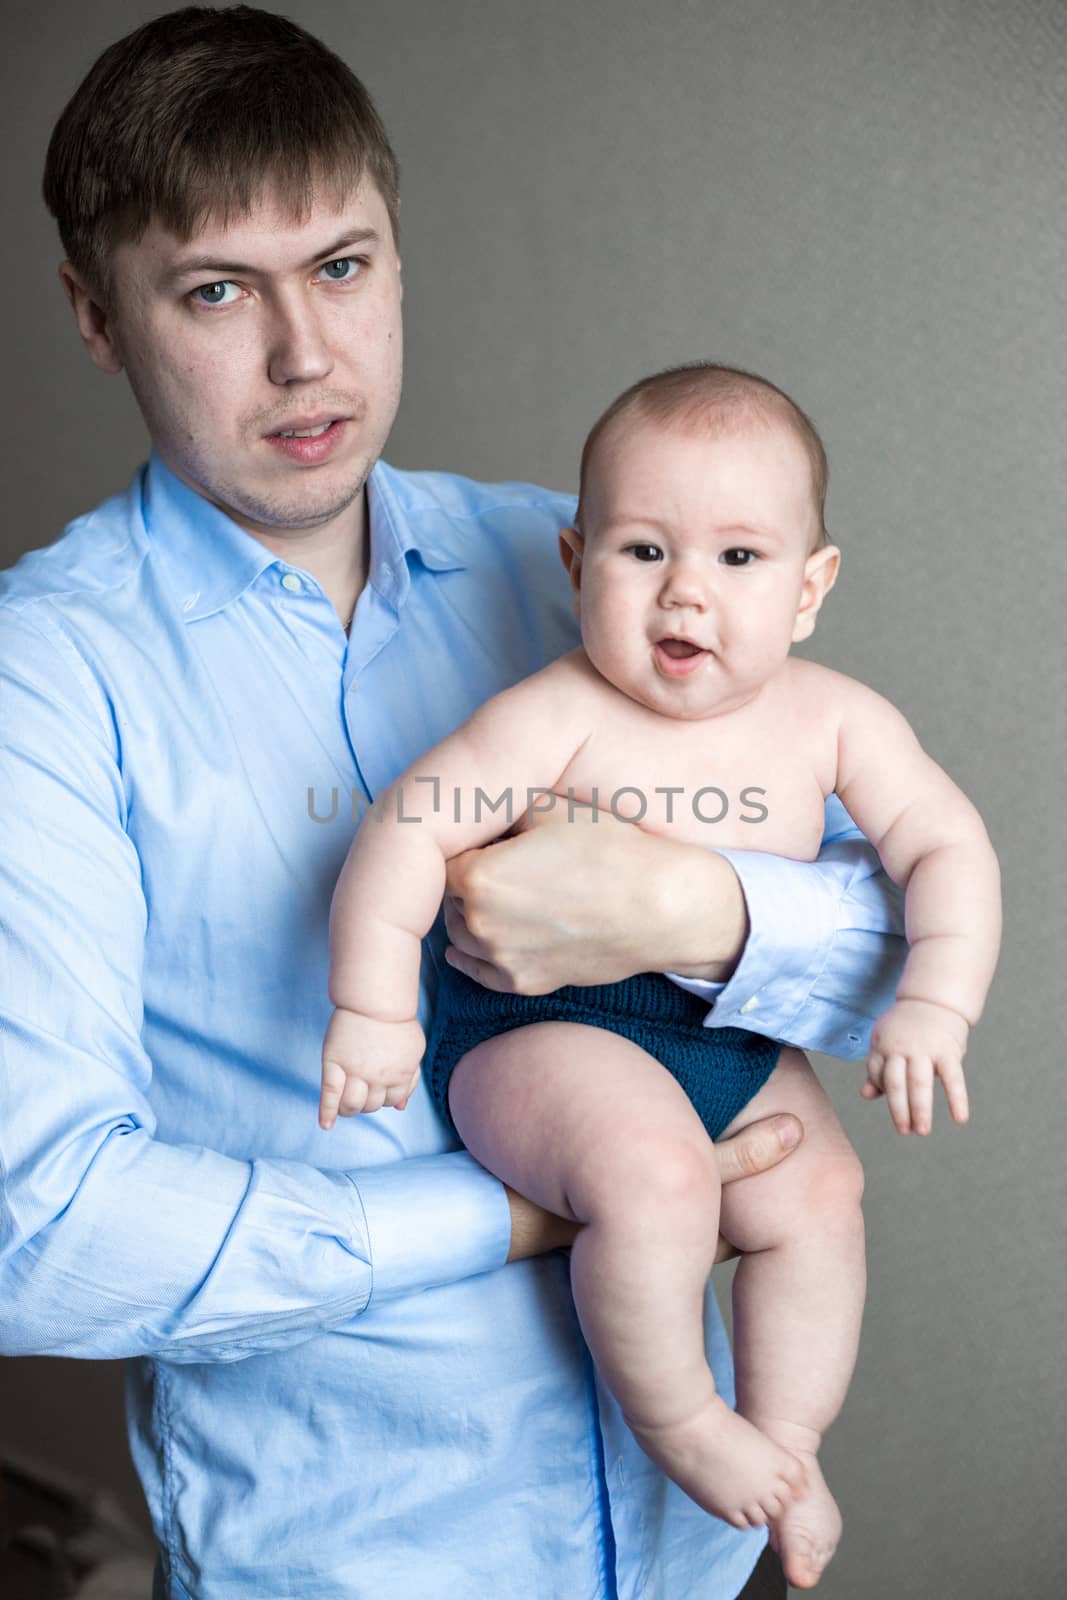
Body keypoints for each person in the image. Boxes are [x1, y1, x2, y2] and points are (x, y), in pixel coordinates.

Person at [0, 9, 908, 1597]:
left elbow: (898, 948)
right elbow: (37, 1236)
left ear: (398, 260)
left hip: (695, 1540)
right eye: (218, 291)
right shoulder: (43, 681)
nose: (304, 358)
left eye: (341, 268)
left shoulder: (586, 561)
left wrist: (696, 911)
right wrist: (504, 1219)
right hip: (361, 1561)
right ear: (94, 316)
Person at [322, 363, 1001, 1588]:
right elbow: (406, 828)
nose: (685, 589)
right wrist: (370, 1008)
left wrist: (934, 1002)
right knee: (654, 1175)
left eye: (738, 559)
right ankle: (682, 1420)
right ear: (577, 558)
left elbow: (945, 847)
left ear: (808, 588)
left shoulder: (836, 718)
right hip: (539, 1033)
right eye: (642, 550)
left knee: (820, 1196)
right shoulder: (556, 709)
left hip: (724, 1037)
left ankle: (783, 1443)